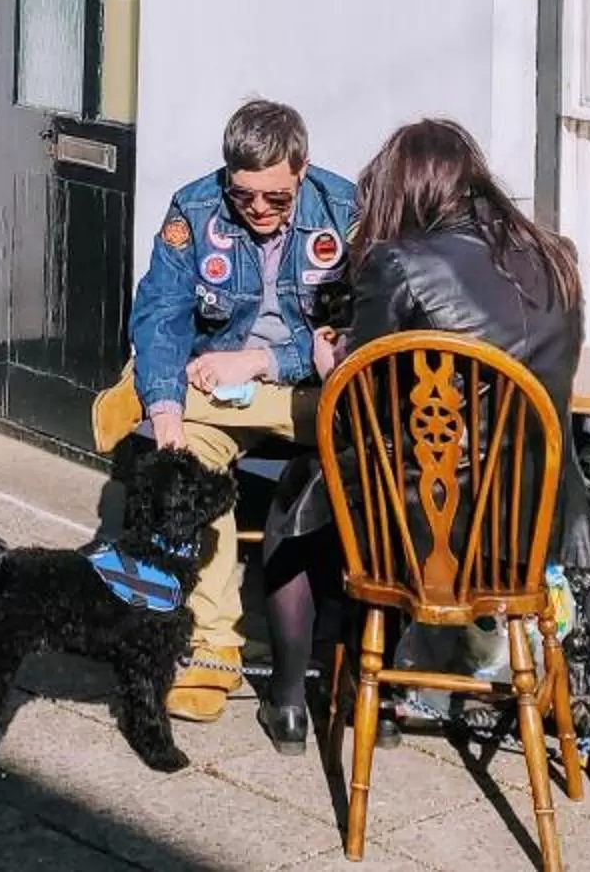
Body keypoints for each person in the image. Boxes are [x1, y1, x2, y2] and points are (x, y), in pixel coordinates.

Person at [255, 117, 588, 748]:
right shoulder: (556, 258)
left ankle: (291, 703)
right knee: (357, 495)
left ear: (407, 191)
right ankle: (371, 699)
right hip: (530, 530)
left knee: (300, 507)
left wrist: (333, 363)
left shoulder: (399, 263)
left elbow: (361, 403)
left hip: (431, 529)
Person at [127, 98, 358, 730]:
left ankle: (360, 648)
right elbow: (160, 315)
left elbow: (356, 333)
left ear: (302, 171)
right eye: (245, 195)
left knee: (371, 442)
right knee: (188, 456)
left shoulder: (345, 210)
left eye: (276, 199)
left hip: (314, 392)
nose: (258, 209)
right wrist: (167, 416)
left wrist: (261, 359)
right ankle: (214, 645)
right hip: (217, 394)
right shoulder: (194, 209)